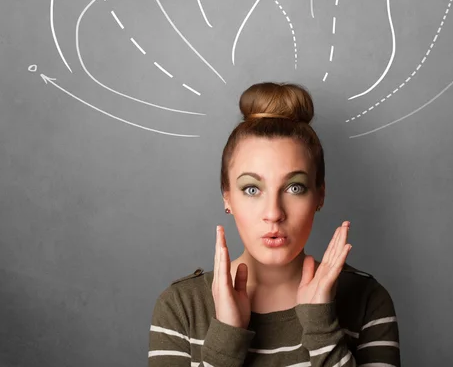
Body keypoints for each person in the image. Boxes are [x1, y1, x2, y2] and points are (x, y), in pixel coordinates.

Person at [148, 82, 401, 366]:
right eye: (252, 189)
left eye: (294, 187)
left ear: (320, 195)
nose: (274, 213)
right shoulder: (181, 306)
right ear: (226, 196)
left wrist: (321, 327)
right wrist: (227, 336)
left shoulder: (367, 299)